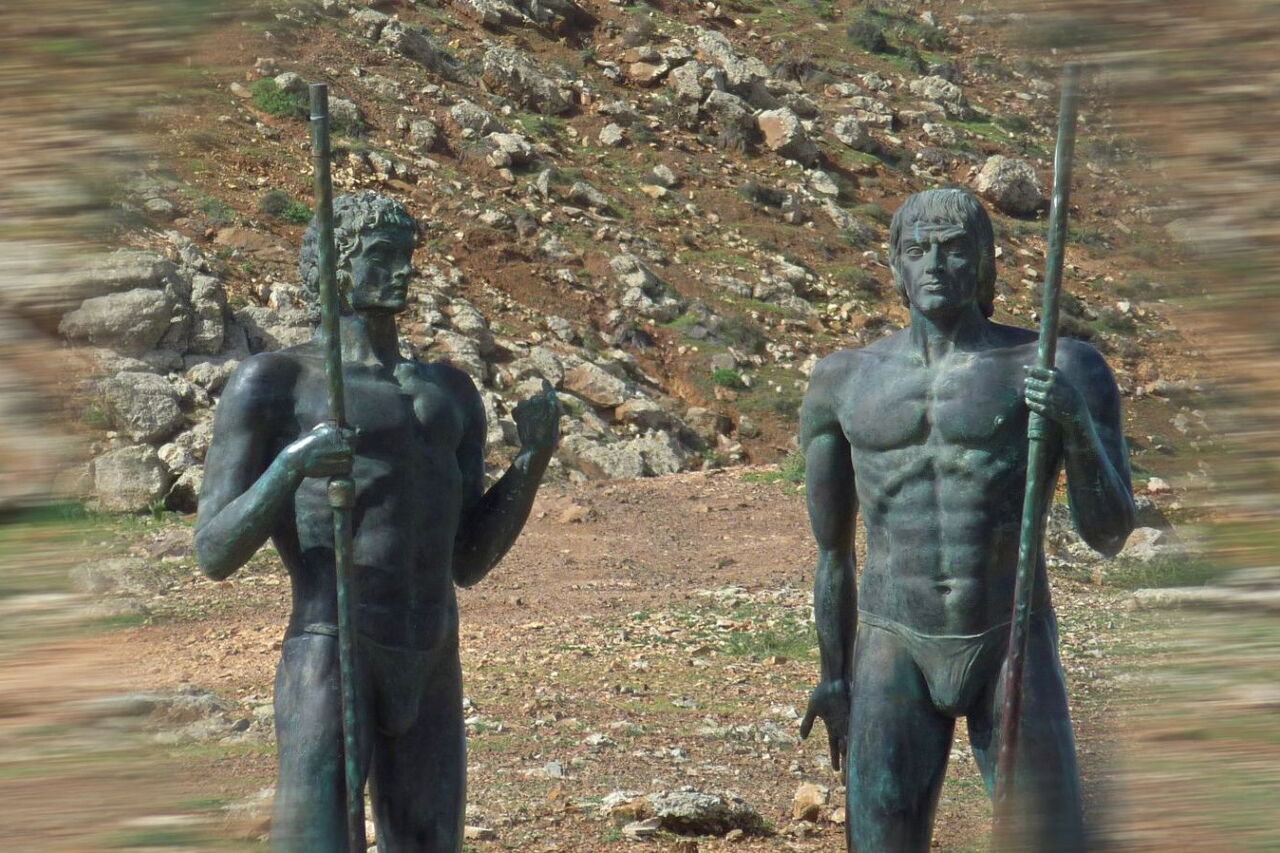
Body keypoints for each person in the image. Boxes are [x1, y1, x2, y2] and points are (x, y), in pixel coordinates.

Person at [194, 192, 560, 852]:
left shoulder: (449, 392)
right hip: (333, 643)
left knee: (430, 841)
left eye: (408, 255)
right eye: (383, 256)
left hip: (433, 648)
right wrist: (292, 466)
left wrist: (531, 461)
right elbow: (214, 550)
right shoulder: (277, 382)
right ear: (335, 266)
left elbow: (468, 560)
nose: (404, 270)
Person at [797, 188, 1135, 851]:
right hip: (891, 642)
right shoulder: (843, 381)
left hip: (1009, 634)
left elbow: (1110, 532)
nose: (934, 265)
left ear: (983, 261)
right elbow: (832, 550)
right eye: (917, 250)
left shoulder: (1059, 365)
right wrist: (834, 676)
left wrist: (1075, 425)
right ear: (894, 264)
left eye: (954, 249)